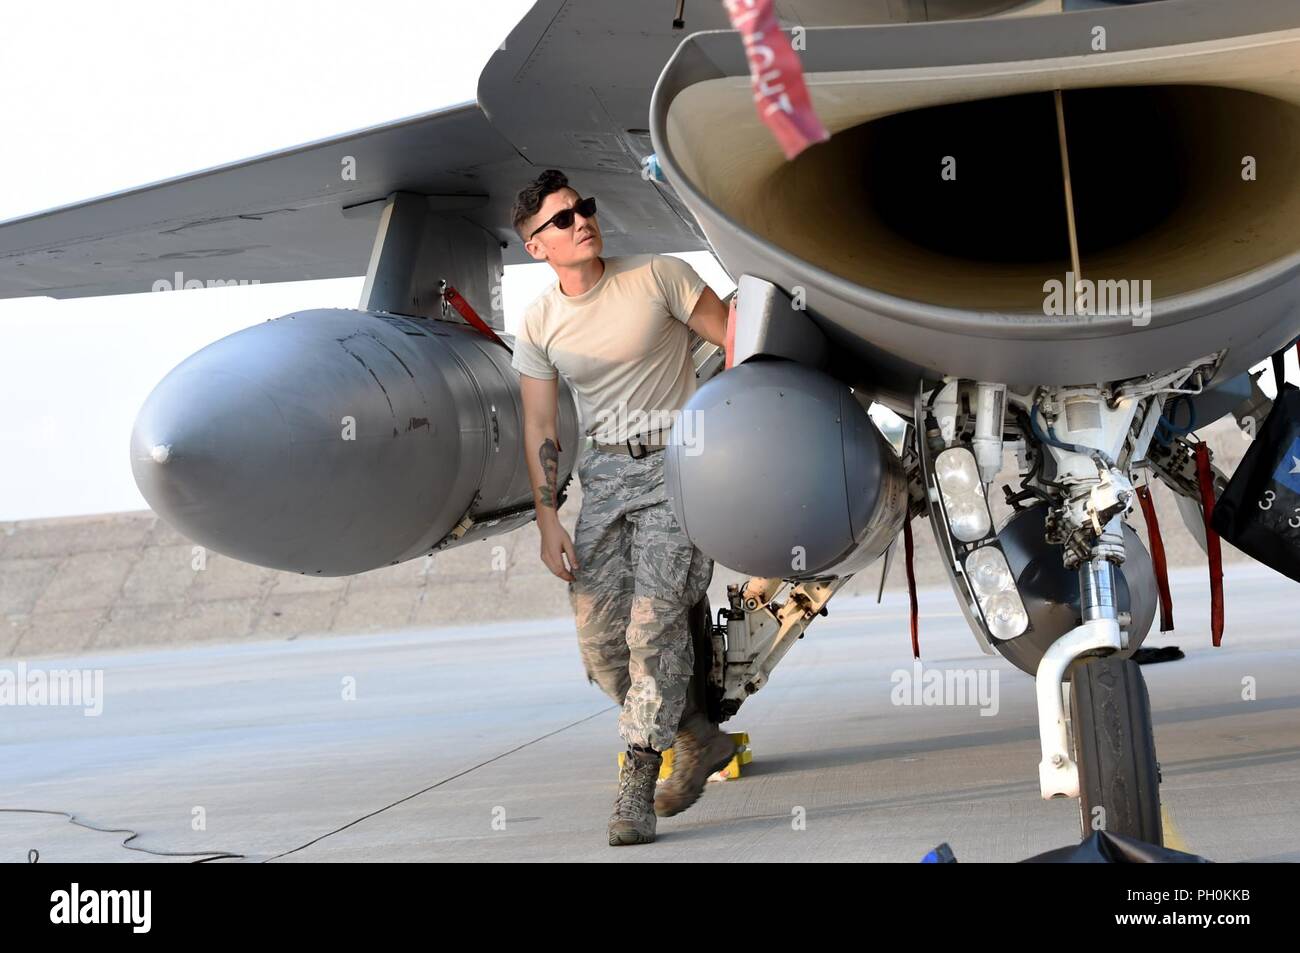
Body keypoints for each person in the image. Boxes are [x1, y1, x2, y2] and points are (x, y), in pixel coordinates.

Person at [509, 169, 736, 845]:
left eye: (582, 208)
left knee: (653, 631)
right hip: (603, 475)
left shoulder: (659, 276)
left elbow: (734, 339)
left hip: (676, 463)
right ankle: (697, 736)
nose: (581, 221)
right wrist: (548, 519)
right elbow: (541, 426)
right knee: (603, 648)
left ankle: (636, 788)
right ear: (535, 246)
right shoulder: (540, 319)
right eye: (562, 219)